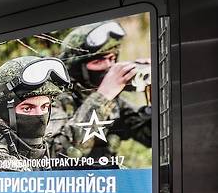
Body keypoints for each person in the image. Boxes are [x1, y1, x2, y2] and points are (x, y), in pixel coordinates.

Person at [0, 55, 70, 193]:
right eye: (27, 108)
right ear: (4, 110)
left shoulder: (22, 140)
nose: (40, 116)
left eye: (45, 106)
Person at [48, 20, 152, 160]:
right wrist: (103, 96)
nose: (109, 66)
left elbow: (149, 135)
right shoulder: (53, 101)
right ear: (78, 69)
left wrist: (157, 94)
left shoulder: (114, 103)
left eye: (112, 58)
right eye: (98, 61)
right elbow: (58, 156)